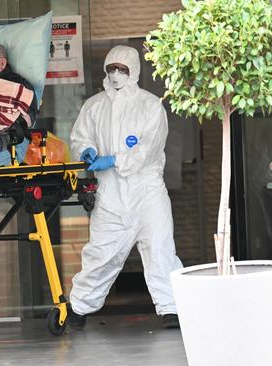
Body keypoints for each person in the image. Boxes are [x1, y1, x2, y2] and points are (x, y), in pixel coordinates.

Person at [67, 45, 183, 329]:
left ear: (134, 71)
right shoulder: (94, 105)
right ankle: (79, 307)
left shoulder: (150, 105)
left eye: (123, 68)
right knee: (100, 253)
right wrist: (87, 152)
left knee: (159, 249)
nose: (116, 74)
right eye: (111, 68)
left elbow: (148, 150)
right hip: (109, 192)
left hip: (147, 191)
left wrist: (115, 159)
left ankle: (172, 308)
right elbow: (80, 137)